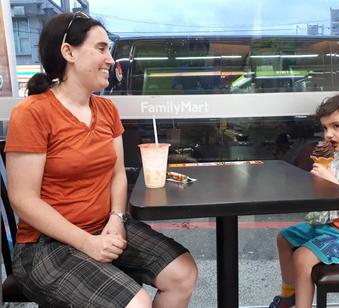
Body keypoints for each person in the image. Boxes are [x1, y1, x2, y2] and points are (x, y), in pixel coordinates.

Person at [5, 12, 197, 308]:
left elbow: (117, 175)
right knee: (137, 303)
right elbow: (23, 199)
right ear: (68, 52)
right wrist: (88, 243)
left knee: (182, 273)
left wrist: (116, 218)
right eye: (101, 48)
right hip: (45, 246)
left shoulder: (107, 110)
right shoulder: (32, 113)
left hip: (103, 226)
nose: (110, 59)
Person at [268, 93, 339, 308]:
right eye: (325, 128)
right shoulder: (338, 158)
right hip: (330, 225)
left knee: (302, 257)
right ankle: (289, 294)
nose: (328, 134)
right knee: (284, 237)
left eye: (337, 126)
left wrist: (332, 183)